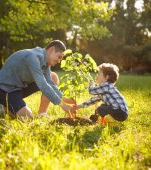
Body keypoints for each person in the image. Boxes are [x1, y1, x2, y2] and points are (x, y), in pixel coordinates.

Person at [0, 40, 76, 119]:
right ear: (51, 50)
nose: (59, 61)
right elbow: (42, 84)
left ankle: (41, 114)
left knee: (53, 76)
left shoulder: (46, 64)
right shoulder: (33, 57)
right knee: (28, 118)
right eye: (59, 57)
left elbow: (50, 83)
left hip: (18, 89)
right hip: (5, 90)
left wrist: (62, 98)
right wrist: (63, 106)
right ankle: (4, 106)